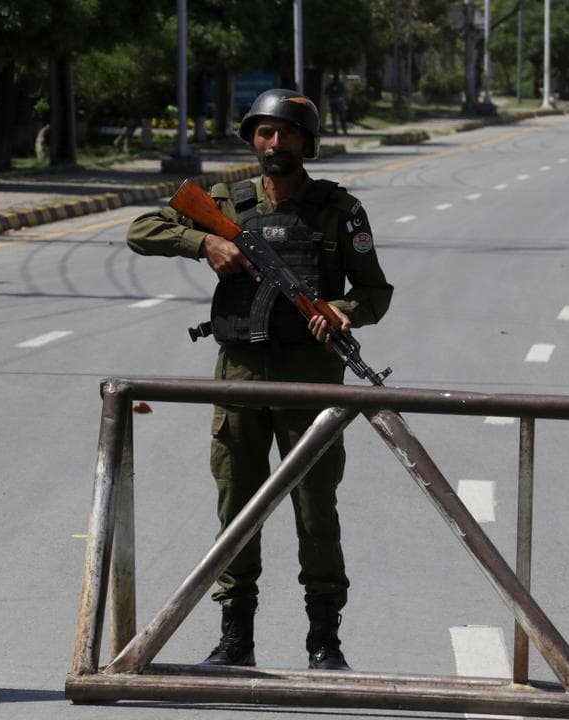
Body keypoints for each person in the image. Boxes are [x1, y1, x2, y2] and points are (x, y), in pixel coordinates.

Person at [126, 88, 392, 671]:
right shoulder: (225, 200)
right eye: (266, 133)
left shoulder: (337, 210)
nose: (276, 143)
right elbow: (142, 230)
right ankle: (235, 636)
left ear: (307, 142)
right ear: (251, 138)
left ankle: (324, 639)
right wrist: (205, 242)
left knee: (315, 507)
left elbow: (375, 292)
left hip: (310, 379)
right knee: (237, 505)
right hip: (240, 374)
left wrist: (342, 312)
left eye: (288, 133)